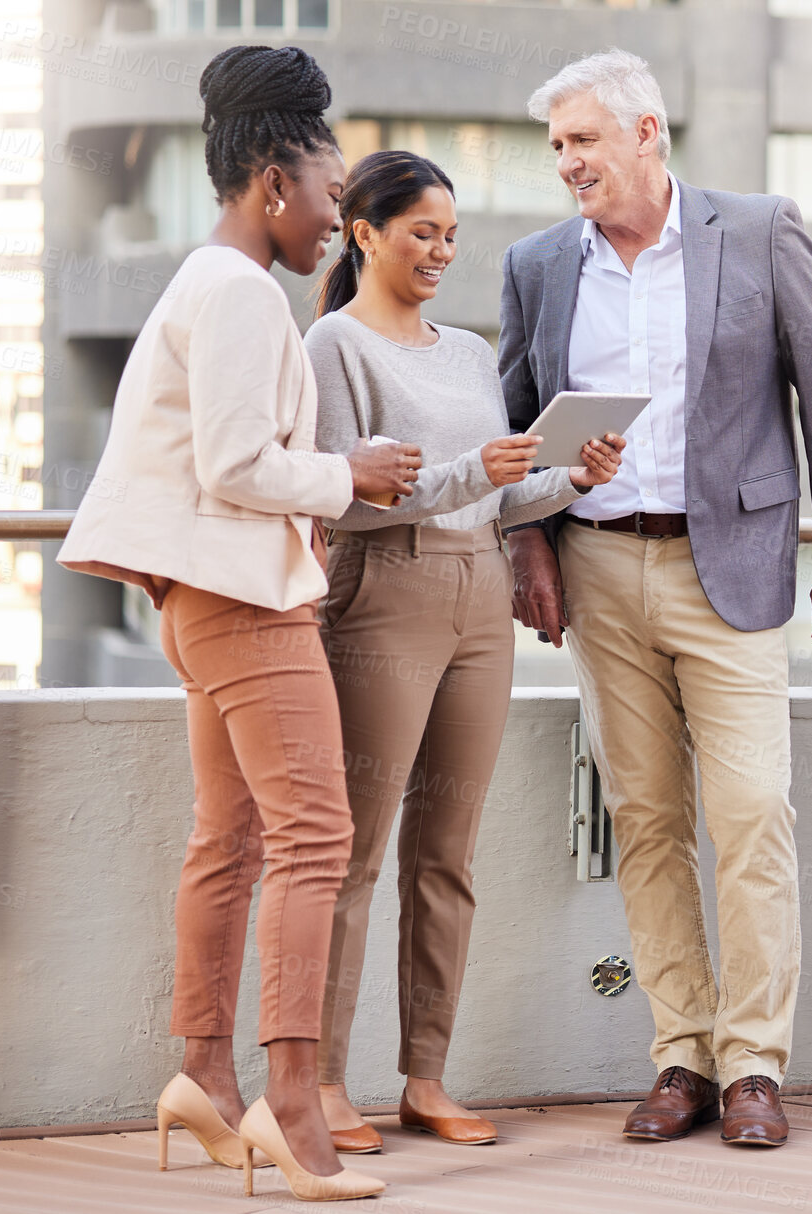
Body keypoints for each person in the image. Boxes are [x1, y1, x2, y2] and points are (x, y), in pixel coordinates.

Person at [500, 49, 812, 1148]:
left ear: (647, 133)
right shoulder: (538, 265)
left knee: (753, 812)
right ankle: (684, 1055)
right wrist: (527, 542)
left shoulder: (756, 229)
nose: (567, 161)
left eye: (583, 139)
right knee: (648, 819)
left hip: (738, 565)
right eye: (557, 145)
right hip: (598, 570)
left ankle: (756, 1064)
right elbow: (522, 423)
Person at [56, 44, 406, 1201]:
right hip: (248, 604)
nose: (335, 219)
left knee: (231, 840)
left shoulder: (199, 278)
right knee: (315, 839)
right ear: (272, 183)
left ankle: (204, 1074)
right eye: (327, 193)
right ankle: (291, 1104)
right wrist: (348, 470)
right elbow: (236, 461)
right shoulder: (245, 291)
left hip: (200, 605)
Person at [303, 149, 623, 1153]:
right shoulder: (333, 345)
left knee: (447, 853)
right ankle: (315, 1082)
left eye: (451, 235)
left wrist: (572, 476)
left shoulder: (468, 350)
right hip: (382, 595)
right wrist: (461, 471)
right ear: (363, 232)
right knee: (352, 855)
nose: (441, 250)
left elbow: (489, 494)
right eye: (421, 232)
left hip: (480, 598)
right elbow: (343, 500)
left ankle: (426, 1076)